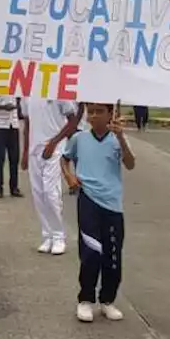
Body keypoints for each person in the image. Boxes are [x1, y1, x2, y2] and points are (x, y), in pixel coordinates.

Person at [62, 103, 135, 323]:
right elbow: (65, 158)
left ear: (110, 114)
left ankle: (107, 300)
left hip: (112, 203)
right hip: (88, 200)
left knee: (112, 255)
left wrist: (121, 138)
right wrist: (70, 177)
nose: (93, 116)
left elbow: (130, 164)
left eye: (99, 111)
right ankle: (85, 299)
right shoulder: (79, 138)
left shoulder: (117, 139)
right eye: (90, 111)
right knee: (91, 252)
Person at [22, 97, 81, 254]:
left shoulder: (58, 90)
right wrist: (25, 151)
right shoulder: (26, 93)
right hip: (35, 148)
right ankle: (47, 235)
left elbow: (73, 121)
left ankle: (59, 236)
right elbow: (28, 124)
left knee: (50, 192)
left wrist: (54, 142)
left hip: (54, 148)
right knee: (38, 194)